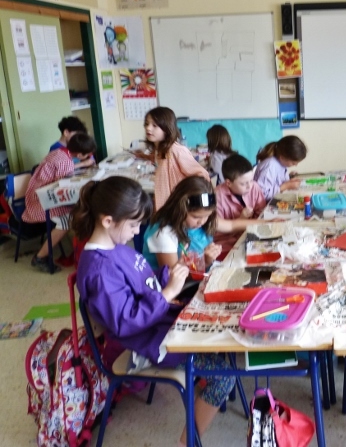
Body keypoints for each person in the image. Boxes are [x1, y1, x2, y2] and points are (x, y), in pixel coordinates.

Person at [71, 176, 234, 447]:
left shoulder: (117, 249)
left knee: (221, 327)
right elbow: (125, 321)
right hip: (143, 344)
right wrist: (167, 292)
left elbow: (146, 283)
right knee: (222, 376)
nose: (138, 232)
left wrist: (173, 274)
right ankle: (185, 444)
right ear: (108, 221)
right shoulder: (99, 270)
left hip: (158, 326)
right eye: (134, 225)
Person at [23, 132, 97, 273]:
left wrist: (82, 165)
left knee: (77, 210)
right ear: (79, 155)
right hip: (41, 199)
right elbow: (63, 183)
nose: (89, 157)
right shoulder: (65, 162)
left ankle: (80, 247)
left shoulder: (60, 151)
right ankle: (40, 257)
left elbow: (65, 173)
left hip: (42, 191)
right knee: (66, 221)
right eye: (87, 154)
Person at [143, 176, 222, 273]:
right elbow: (172, 277)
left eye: (207, 216)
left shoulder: (194, 224)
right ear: (180, 210)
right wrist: (205, 262)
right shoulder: (163, 233)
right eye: (196, 217)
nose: (201, 222)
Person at [143, 106, 209, 210]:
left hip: (177, 207)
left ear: (167, 128)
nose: (148, 128)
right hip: (165, 206)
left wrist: (183, 196)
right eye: (147, 124)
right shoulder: (160, 150)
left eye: (154, 125)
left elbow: (202, 175)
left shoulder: (176, 150)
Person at [214, 154, 267, 259]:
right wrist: (241, 219)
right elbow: (218, 232)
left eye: (251, 180)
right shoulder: (217, 196)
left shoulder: (254, 187)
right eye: (243, 184)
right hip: (228, 243)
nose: (249, 186)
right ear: (228, 183)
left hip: (253, 233)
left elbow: (262, 213)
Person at [254, 135, 307, 201]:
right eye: (293, 163)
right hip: (262, 204)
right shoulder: (270, 166)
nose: (296, 165)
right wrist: (286, 186)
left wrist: (289, 178)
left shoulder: (281, 163)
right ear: (282, 157)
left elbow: (276, 181)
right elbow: (263, 194)